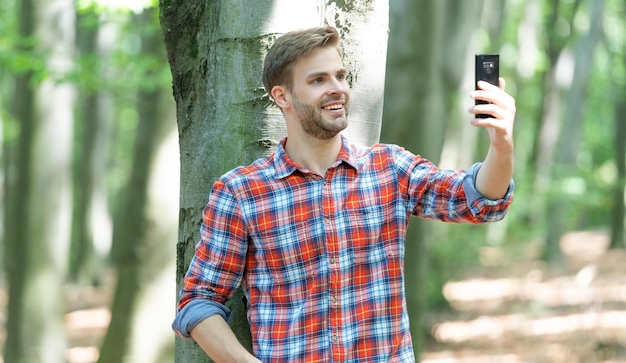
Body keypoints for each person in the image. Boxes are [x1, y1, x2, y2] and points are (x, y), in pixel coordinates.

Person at [172, 25, 516, 363]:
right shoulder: (241, 192)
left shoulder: (389, 168)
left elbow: (478, 201)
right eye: (318, 80)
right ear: (282, 96)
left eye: (340, 76)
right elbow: (198, 300)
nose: (337, 89)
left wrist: (501, 146)